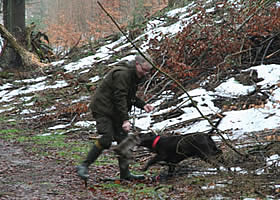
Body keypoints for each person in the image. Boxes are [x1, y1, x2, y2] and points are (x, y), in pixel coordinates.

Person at [77, 54, 154, 181]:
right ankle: (84, 165)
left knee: (124, 141)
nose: (146, 73)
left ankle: (125, 174)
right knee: (106, 138)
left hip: (115, 111)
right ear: (137, 64)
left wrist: (143, 105)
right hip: (103, 109)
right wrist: (125, 119)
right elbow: (120, 98)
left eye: (148, 71)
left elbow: (130, 97)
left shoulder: (135, 75)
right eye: (144, 70)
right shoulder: (123, 74)